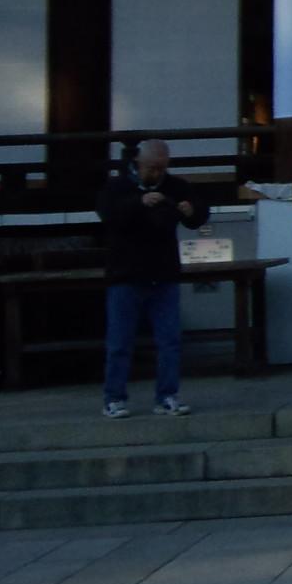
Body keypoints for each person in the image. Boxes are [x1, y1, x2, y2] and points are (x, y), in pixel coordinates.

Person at [97, 139, 209, 419]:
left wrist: (192, 211)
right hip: (125, 274)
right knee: (119, 343)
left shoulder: (176, 186)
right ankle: (114, 397)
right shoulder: (117, 187)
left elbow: (198, 215)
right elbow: (108, 215)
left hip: (164, 273)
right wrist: (139, 203)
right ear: (138, 163)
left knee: (169, 340)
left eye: (161, 168)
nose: (156, 173)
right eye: (151, 168)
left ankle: (167, 395)